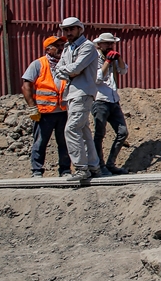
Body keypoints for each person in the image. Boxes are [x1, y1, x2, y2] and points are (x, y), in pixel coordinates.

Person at [54, 17, 101, 181]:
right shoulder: (68, 48)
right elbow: (60, 70)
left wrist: (67, 71)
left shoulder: (87, 46)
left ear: (80, 29)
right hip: (72, 93)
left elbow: (76, 68)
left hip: (82, 92)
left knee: (72, 129)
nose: (68, 32)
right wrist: (68, 71)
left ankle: (82, 168)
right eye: (65, 30)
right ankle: (93, 166)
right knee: (83, 130)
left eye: (71, 29)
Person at [21, 36, 71, 178]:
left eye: (62, 45)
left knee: (64, 142)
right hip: (44, 113)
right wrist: (32, 107)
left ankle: (65, 170)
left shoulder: (65, 64)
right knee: (40, 142)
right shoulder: (38, 64)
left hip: (62, 111)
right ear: (48, 49)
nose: (61, 48)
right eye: (57, 46)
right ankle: (37, 171)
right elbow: (26, 86)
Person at [91, 32, 129, 174]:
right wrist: (107, 62)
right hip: (100, 100)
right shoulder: (95, 58)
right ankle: (99, 166)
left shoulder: (112, 58)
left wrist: (118, 58)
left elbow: (124, 70)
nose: (109, 46)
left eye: (111, 43)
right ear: (99, 44)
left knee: (122, 132)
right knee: (99, 133)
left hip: (113, 100)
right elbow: (97, 79)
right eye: (106, 43)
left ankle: (110, 164)